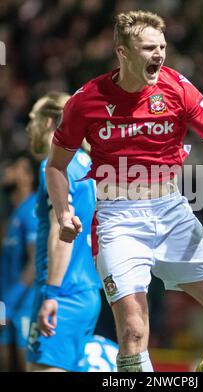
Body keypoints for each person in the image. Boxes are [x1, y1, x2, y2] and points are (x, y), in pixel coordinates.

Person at [45, 10, 203, 372]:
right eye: (148, 48)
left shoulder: (178, 88)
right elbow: (56, 165)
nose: (159, 54)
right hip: (117, 220)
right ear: (122, 52)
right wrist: (64, 212)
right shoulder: (87, 100)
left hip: (172, 212)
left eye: (162, 47)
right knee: (133, 332)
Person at [26, 92, 102, 372]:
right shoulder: (88, 165)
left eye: (32, 119)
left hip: (63, 293)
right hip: (88, 292)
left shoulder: (54, 167)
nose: (28, 127)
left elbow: (63, 229)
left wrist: (51, 294)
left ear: (47, 122)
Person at [0, 154, 38, 371]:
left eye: (14, 166)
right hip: (6, 307)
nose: (6, 170)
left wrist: (8, 305)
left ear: (28, 176)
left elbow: (33, 264)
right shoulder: (13, 214)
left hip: (25, 306)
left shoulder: (32, 210)